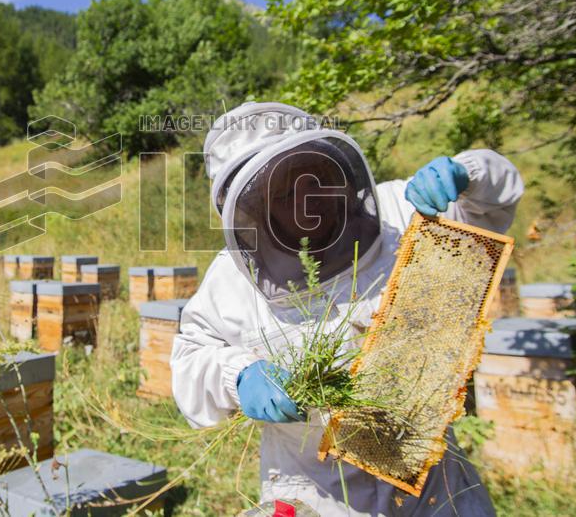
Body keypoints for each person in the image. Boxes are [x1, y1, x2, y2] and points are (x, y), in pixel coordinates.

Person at [170, 102, 524, 516]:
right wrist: (238, 376)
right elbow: (189, 362)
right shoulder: (231, 279)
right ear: (254, 206)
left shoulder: (401, 211)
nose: (309, 199)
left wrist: (467, 175)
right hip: (313, 491)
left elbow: (494, 200)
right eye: (285, 193)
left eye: (315, 177)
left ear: (336, 168)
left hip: (432, 481)